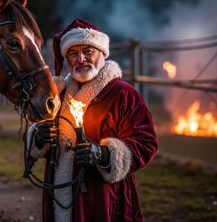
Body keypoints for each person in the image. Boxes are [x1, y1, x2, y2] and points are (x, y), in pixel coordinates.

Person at [26, 18, 158, 221]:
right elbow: (37, 132)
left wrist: (105, 155)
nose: (80, 59)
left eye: (88, 51)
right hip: (58, 195)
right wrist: (38, 137)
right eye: (73, 53)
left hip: (104, 198)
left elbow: (146, 143)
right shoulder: (58, 93)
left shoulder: (123, 94)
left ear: (102, 54)